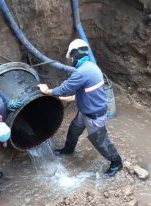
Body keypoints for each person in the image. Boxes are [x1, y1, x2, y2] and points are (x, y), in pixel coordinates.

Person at [37, 39, 123, 177]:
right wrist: (71, 99)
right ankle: (68, 149)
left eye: (71, 58)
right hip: (85, 111)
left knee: (100, 141)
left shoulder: (82, 72)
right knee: (74, 130)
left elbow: (64, 88)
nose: (71, 60)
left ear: (74, 56)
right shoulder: (91, 66)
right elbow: (88, 92)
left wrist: (47, 91)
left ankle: (117, 162)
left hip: (94, 115)